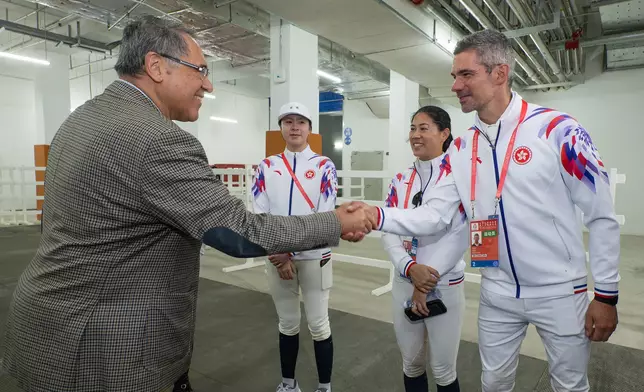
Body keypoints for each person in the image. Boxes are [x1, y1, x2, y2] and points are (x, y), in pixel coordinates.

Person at [1, 16, 374, 392]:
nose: (208, 85)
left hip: (51, 324)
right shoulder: (157, 139)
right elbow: (239, 232)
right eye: (200, 71)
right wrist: (336, 222)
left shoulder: (81, 119)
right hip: (105, 345)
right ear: (156, 66)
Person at [360, 29, 620, 392]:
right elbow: (436, 215)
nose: (455, 85)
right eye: (454, 75)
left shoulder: (558, 130)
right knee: (493, 383)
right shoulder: (462, 147)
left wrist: (606, 295)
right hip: (496, 291)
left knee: (570, 385)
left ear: (500, 73)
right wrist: (377, 216)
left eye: (466, 74)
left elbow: (601, 214)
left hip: (560, 291)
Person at [381, 106, 468, 392]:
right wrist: (409, 268)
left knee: (444, 370)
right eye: (412, 128)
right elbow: (389, 229)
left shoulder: (459, 178)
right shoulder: (400, 180)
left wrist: (427, 277)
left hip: (443, 285)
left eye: (424, 128)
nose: (415, 135)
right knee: (411, 363)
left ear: (445, 133)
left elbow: (460, 234)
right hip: (403, 283)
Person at [253, 102, 337, 392]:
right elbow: (259, 212)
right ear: (281, 129)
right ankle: (288, 384)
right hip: (277, 258)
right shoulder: (267, 166)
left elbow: (326, 215)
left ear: (310, 129)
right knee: (287, 324)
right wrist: (279, 253)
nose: (295, 127)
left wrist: (290, 250)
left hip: (315, 258)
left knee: (319, 325)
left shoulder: (324, 166)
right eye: (288, 122)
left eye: (301, 121)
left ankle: (325, 387)